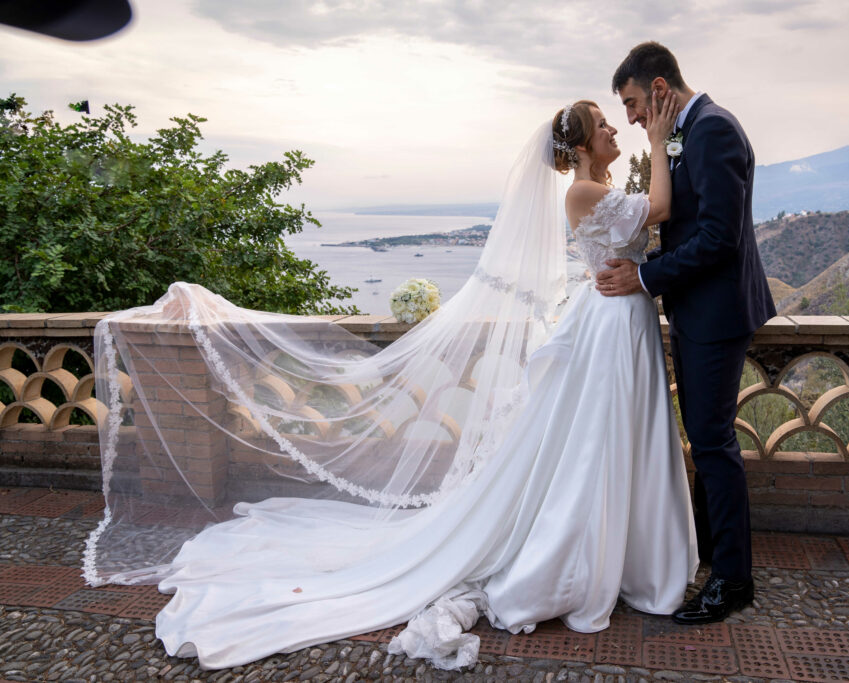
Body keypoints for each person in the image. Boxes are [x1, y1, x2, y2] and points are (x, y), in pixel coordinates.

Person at [83, 95, 696, 670]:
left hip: (623, 314)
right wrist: (664, 137)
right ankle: (586, 553)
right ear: (583, 147)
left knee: (616, 434)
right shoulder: (584, 191)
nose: (617, 129)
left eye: (617, 122)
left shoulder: (604, 186)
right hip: (611, 322)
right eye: (605, 125)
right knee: (601, 437)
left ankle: (627, 551)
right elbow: (661, 208)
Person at [597, 41, 777, 625]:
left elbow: (719, 238)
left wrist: (645, 275)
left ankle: (732, 580)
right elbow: (683, 219)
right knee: (704, 438)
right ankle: (704, 554)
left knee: (713, 442)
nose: (629, 117)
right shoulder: (686, 130)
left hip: (717, 314)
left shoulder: (714, 130)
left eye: (630, 102)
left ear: (658, 89)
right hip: (697, 310)